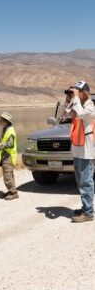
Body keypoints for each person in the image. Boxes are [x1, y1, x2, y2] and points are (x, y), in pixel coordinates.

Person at [64, 80, 95, 223]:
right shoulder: (77, 104)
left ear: (85, 93)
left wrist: (75, 98)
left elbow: (82, 115)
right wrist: (69, 99)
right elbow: (65, 112)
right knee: (80, 181)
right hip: (77, 150)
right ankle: (85, 207)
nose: (75, 94)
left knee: (86, 182)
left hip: (86, 152)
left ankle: (88, 212)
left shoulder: (90, 107)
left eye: (78, 91)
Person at [0, 112, 18, 200]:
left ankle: (13, 192)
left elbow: (11, 144)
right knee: (9, 174)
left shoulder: (10, 130)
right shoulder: (6, 129)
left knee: (7, 175)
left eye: (1, 119)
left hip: (8, 156)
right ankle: (11, 190)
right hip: (6, 155)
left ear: (5, 121)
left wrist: (0, 145)